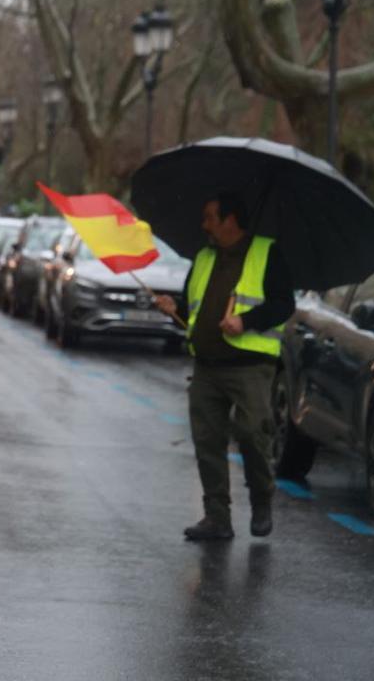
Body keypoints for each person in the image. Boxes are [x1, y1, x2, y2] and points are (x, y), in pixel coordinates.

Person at [155, 191, 294, 541]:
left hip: (250, 366)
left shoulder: (267, 253)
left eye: (210, 218)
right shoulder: (203, 256)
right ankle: (217, 517)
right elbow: (193, 309)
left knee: (252, 433)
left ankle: (262, 501)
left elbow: (283, 305)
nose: (204, 225)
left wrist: (245, 322)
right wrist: (175, 308)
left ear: (230, 220)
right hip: (206, 366)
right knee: (207, 441)